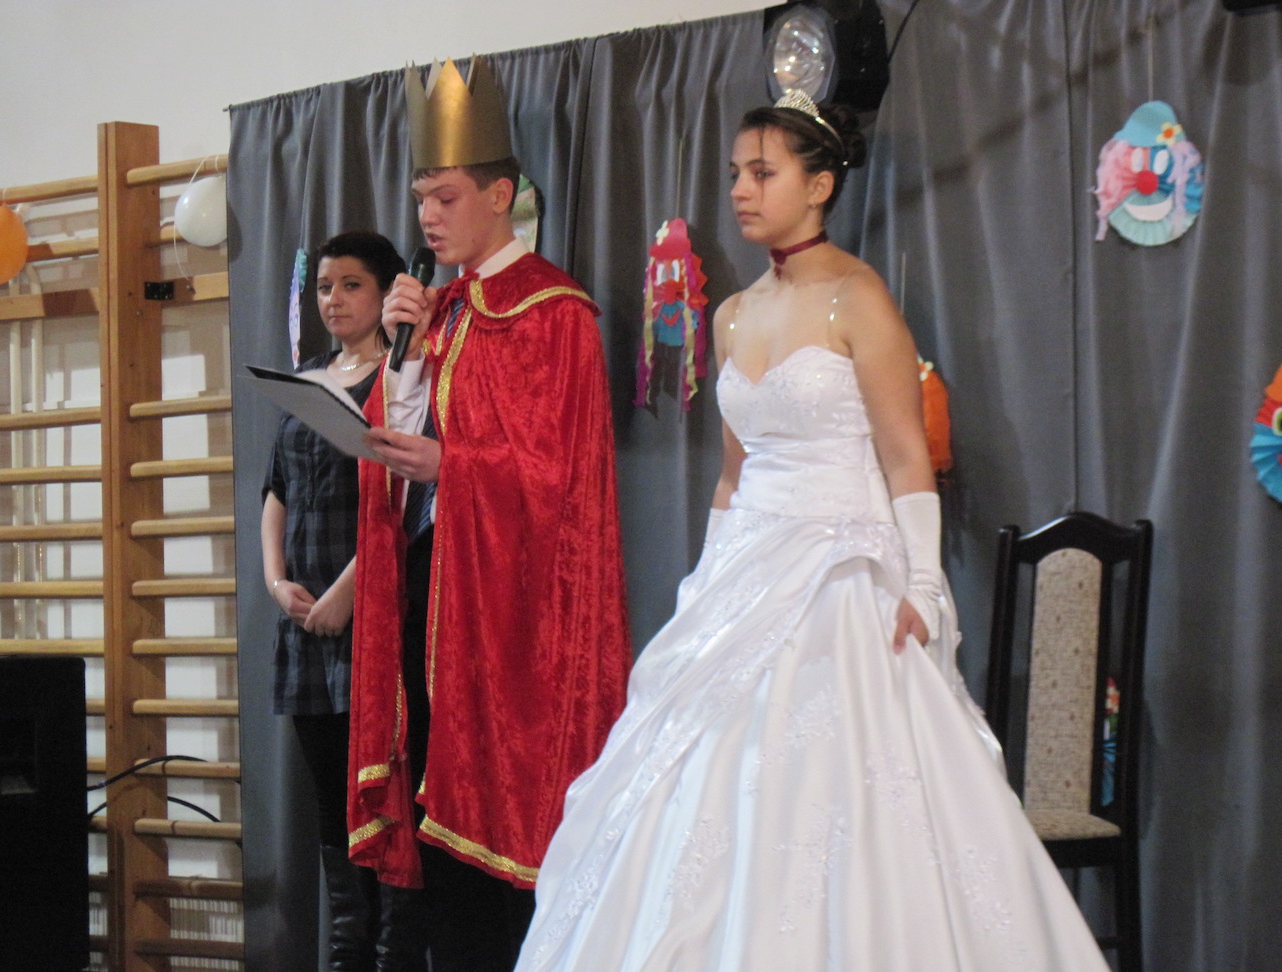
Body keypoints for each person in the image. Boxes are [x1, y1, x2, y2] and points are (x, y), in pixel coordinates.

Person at [513, 93, 1112, 971]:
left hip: (840, 566)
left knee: (841, 785)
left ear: (820, 184)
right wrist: (706, 583)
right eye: (736, 174)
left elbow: (906, 457)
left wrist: (923, 584)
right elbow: (733, 471)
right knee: (695, 792)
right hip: (746, 570)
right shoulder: (732, 314)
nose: (741, 191)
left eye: (763, 173)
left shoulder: (856, 298)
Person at [346, 57, 631, 971]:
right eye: (421, 199)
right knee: (437, 848)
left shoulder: (553, 313)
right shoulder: (441, 310)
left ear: (500, 195)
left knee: (501, 871)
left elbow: (560, 483)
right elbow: (400, 435)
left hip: (513, 623)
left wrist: (453, 466)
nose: (428, 217)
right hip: (433, 594)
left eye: (447, 197)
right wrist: (401, 355)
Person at [261, 231, 425, 970]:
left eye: (352, 285)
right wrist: (276, 581)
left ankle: (393, 955)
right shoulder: (306, 380)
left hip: (373, 615)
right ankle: (345, 953)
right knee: (331, 798)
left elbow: (403, 501)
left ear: (387, 292)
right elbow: (276, 490)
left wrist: (346, 594)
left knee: (383, 794)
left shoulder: (403, 378)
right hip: (306, 624)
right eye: (325, 287)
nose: (334, 300)